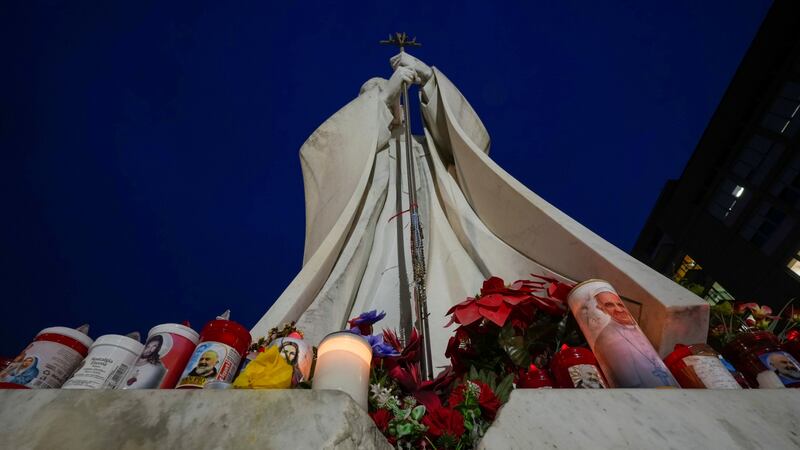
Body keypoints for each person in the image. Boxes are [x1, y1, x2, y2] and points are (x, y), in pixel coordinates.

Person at [591, 290, 677, 388]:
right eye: (609, 305)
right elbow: (631, 383)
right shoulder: (606, 338)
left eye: (620, 304)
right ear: (601, 308)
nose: (619, 309)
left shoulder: (636, 326)